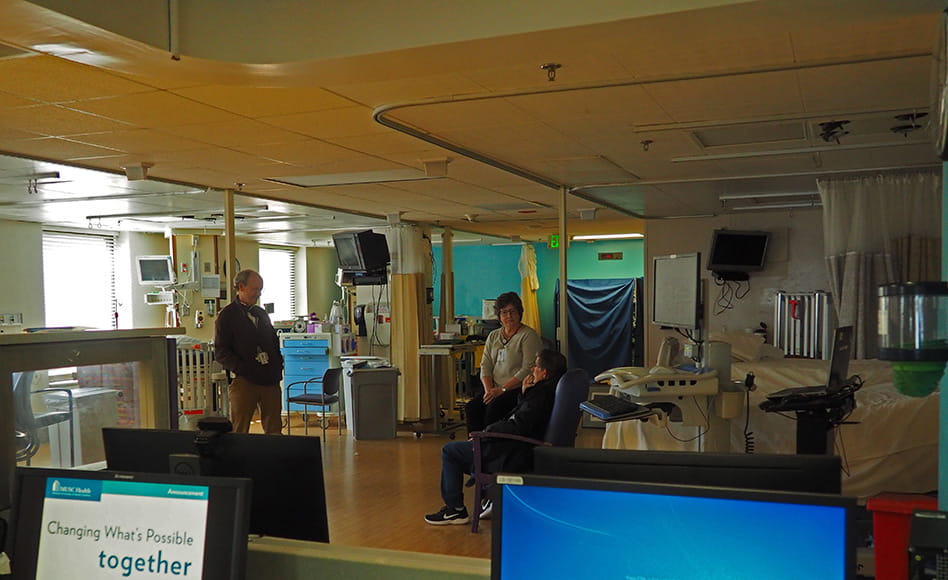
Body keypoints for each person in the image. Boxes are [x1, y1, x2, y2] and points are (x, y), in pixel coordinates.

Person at [424, 348, 567, 525]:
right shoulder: (544, 391)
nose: (532, 370)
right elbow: (522, 419)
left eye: (535, 367)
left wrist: (486, 433)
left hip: (511, 453)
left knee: (450, 451)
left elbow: (519, 425)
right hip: (516, 447)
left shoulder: (540, 395)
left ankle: (455, 509)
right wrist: (523, 393)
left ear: (544, 373)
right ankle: (478, 497)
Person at [214, 269, 284, 434]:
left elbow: (273, 343)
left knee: (274, 427)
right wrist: (242, 368)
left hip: (269, 379)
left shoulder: (261, 314)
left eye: (260, 289)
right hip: (244, 380)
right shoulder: (227, 316)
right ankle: (239, 459)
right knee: (240, 428)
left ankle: (276, 458)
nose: (258, 293)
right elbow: (221, 351)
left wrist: (277, 365)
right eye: (255, 289)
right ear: (241, 287)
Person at [465, 291, 543, 434]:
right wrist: (489, 390)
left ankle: (491, 446)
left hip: (515, 389)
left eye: (512, 311)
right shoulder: (493, 336)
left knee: (494, 408)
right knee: (472, 407)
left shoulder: (528, 336)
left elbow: (528, 369)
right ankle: (474, 447)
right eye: (504, 312)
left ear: (519, 313)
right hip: (493, 389)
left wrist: (502, 390)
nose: (509, 316)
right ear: (499, 316)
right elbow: (485, 365)